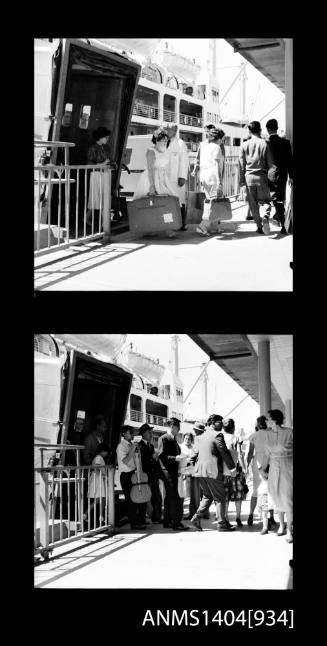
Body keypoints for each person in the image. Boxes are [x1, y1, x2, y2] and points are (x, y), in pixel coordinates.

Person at [190, 414, 237, 532]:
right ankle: (222, 524)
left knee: (207, 495)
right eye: (219, 422)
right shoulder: (217, 435)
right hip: (212, 470)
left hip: (200, 471)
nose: (221, 424)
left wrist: (192, 466)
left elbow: (194, 454)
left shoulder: (200, 436)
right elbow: (224, 452)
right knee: (220, 497)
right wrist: (233, 469)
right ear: (212, 423)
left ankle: (196, 518)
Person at [239, 120, 275, 234]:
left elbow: (241, 165)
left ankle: (259, 227)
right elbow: (271, 164)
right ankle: (265, 216)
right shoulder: (265, 143)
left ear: (249, 131)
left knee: (253, 205)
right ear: (260, 130)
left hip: (248, 178)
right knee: (266, 202)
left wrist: (241, 181)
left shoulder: (244, 145)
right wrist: (272, 180)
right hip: (262, 177)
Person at [263, 409, 293, 543]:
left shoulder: (289, 432)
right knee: (276, 496)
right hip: (274, 468)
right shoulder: (267, 435)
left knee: (287, 498)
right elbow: (266, 454)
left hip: (287, 467)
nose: (266, 421)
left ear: (275, 419)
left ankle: (289, 531)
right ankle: (281, 525)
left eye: (268, 418)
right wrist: (263, 469)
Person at [191, 125, 225, 236]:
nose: (222, 141)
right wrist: (219, 182)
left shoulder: (205, 146)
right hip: (212, 176)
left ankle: (214, 227)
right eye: (222, 139)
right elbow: (216, 165)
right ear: (219, 138)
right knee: (213, 203)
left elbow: (200, 162)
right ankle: (202, 226)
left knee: (209, 201)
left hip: (203, 175)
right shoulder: (217, 148)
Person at [157, 417, 189, 531]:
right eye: (178, 427)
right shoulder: (163, 439)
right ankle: (176, 523)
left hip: (172, 472)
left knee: (169, 497)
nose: (179, 430)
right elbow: (162, 456)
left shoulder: (173, 439)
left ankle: (167, 521)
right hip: (167, 472)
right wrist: (176, 458)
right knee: (174, 497)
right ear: (172, 427)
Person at [245, 416, 277, 529]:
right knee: (270, 489)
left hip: (257, 462)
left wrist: (246, 466)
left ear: (258, 425)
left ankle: (251, 514)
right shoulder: (272, 434)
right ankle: (271, 517)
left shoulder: (254, 436)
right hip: (270, 461)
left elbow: (249, 453)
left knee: (256, 489)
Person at [266, 118, 294, 235]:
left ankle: (280, 222)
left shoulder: (266, 143)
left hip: (269, 175)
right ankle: (278, 218)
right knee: (280, 198)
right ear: (277, 128)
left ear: (268, 129)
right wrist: (291, 176)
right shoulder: (286, 142)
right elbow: (290, 161)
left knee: (273, 200)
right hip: (283, 175)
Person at [116, 425, 147, 530]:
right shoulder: (122, 446)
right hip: (126, 474)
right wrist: (133, 449)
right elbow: (125, 460)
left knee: (135, 498)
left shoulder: (130, 445)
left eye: (132, 432)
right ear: (124, 434)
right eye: (130, 432)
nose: (132, 434)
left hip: (133, 473)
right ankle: (133, 523)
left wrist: (136, 449)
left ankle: (137, 520)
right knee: (130, 499)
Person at [133, 127, 177, 200]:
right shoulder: (151, 151)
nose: (165, 143)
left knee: (168, 199)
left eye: (166, 141)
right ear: (156, 140)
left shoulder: (164, 151)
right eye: (163, 140)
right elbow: (150, 169)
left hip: (162, 179)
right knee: (151, 200)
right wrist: (152, 186)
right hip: (152, 178)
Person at [221, 418, 248, 528]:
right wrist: (245, 469)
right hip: (236, 471)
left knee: (225, 496)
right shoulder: (236, 438)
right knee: (238, 495)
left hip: (224, 471)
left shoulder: (220, 437)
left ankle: (226, 517)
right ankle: (238, 517)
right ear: (233, 427)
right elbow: (239, 455)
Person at [164, 123, 190, 231]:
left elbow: (184, 161)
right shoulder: (163, 141)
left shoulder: (180, 143)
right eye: (166, 129)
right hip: (165, 177)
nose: (167, 131)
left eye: (169, 129)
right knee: (167, 201)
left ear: (175, 130)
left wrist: (182, 177)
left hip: (176, 177)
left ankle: (182, 223)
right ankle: (170, 224)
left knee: (179, 201)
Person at [86, 126, 113, 226]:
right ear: (100, 137)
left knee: (99, 197)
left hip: (103, 174)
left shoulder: (104, 148)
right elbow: (89, 164)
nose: (107, 139)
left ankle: (87, 219)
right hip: (96, 174)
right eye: (105, 137)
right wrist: (103, 164)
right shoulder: (93, 148)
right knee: (98, 196)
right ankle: (104, 223)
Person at [138, 423, 163, 523]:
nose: (151, 435)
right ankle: (143, 518)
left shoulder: (151, 446)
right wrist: (151, 458)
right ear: (143, 434)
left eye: (151, 432)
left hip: (153, 476)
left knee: (156, 497)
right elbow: (140, 461)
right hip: (145, 475)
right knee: (145, 498)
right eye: (149, 432)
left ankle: (156, 517)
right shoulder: (139, 445)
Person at [83, 442, 109, 525]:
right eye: (106, 452)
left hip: (99, 479)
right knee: (99, 499)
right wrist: (104, 474)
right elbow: (97, 468)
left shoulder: (98, 458)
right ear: (103, 451)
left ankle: (101, 517)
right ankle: (86, 514)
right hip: (98, 479)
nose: (107, 454)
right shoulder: (99, 458)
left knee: (101, 499)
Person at [178, 432, 197, 518]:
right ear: (183, 439)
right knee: (181, 494)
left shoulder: (194, 448)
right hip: (182, 472)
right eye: (186, 438)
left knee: (192, 495)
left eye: (189, 439)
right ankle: (180, 513)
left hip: (192, 473)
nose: (187, 440)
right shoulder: (180, 447)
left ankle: (191, 513)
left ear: (191, 440)